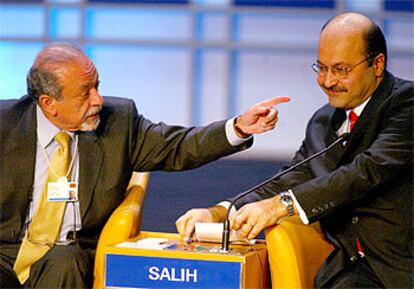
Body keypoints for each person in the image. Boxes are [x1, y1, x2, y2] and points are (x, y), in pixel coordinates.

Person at [0, 43, 290, 288]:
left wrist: (239, 127)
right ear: (49, 103)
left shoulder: (119, 122)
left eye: (97, 87)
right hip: (6, 251)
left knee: (65, 261)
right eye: (85, 93)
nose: (98, 100)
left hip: (67, 256)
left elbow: (179, 146)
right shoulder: (5, 124)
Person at [176, 12, 413, 289]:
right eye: (321, 68)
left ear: (377, 64)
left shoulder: (406, 105)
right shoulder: (324, 121)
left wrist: (282, 205)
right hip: (351, 271)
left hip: (402, 268)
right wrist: (219, 212)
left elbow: (365, 171)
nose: (327, 80)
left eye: (341, 70)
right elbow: (293, 176)